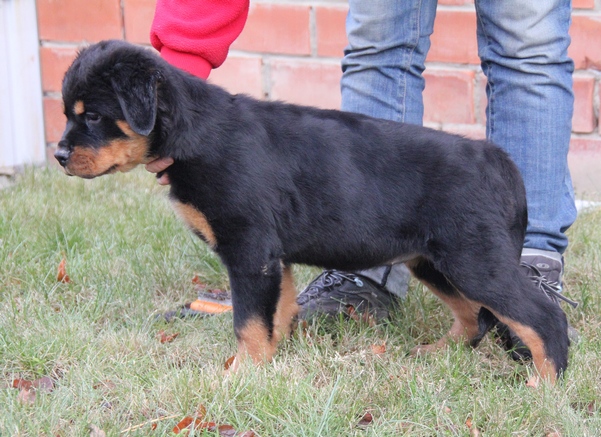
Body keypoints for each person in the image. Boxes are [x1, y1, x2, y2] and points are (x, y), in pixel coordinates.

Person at [148, 0, 577, 357]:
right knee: (379, 43)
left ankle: (528, 275)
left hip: (452, 191)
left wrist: (165, 89)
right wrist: (173, 78)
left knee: (529, 41)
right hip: (396, 199)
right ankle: (374, 276)